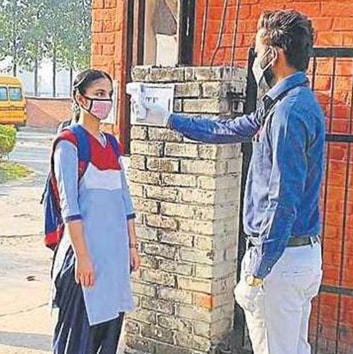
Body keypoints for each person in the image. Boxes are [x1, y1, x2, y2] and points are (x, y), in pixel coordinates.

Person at [133, 10, 324, 354]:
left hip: (279, 261)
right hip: (296, 256)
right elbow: (231, 129)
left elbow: (282, 199)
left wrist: (257, 272)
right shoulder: (288, 104)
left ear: (273, 54)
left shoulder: (288, 113)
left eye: (257, 48)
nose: (254, 57)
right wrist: (170, 119)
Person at [50, 69, 140, 353]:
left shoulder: (112, 143)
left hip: (113, 258)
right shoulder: (69, 143)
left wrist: (133, 246)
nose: (106, 101)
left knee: (108, 337)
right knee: (77, 341)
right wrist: (83, 258)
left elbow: (125, 199)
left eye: (109, 95)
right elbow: (70, 207)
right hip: (84, 259)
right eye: (99, 94)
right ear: (80, 97)